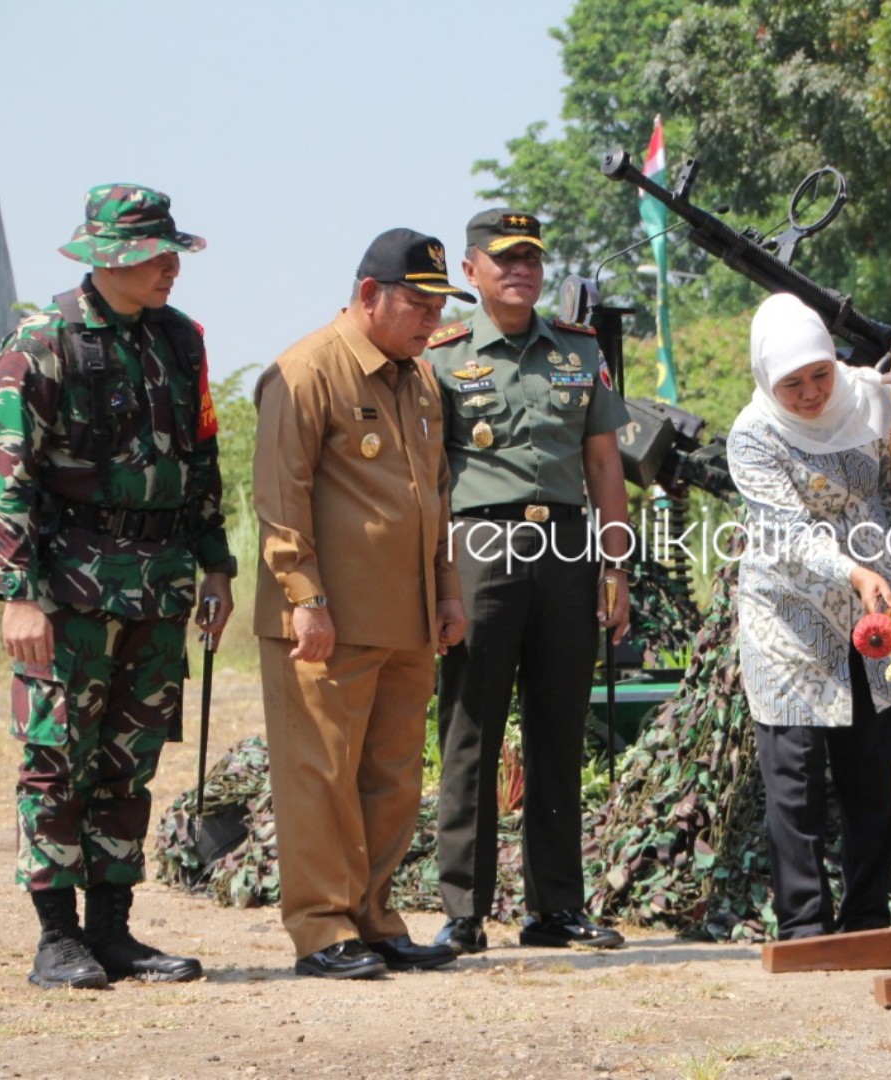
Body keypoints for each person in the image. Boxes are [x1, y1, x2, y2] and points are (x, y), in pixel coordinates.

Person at [0, 184, 235, 989]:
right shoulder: (44, 340)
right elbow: (4, 476)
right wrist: (18, 591)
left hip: (158, 586)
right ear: (110, 258)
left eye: (171, 254)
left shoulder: (181, 342)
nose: (169, 270)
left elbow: (199, 462)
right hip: (68, 589)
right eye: (155, 256)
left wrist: (217, 565)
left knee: (128, 763)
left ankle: (113, 931)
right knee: (58, 760)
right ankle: (56, 938)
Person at [253, 228, 471, 979]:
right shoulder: (306, 370)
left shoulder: (419, 379)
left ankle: (375, 917)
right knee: (319, 774)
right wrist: (304, 599)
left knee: (392, 775)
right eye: (418, 304)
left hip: (405, 617)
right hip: (326, 620)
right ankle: (320, 927)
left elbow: (434, 500)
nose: (430, 321)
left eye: (439, 306)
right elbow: (282, 500)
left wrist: (446, 594)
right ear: (369, 294)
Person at [425, 209, 632, 952]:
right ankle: (462, 911)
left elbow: (604, 463)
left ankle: (554, 909)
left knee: (558, 730)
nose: (521, 271)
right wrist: (440, 574)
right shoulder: (442, 355)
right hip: (479, 545)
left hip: (570, 546)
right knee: (469, 728)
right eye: (504, 259)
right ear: (471, 271)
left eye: (531, 259)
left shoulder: (578, 351)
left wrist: (616, 565)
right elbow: (431, 476)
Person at [728, 292, 891, 940]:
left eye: (819, 375)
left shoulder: (871, 399)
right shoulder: (752, 434)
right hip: (789, 620)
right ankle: (803, 925)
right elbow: (791, 533)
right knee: (795, 780)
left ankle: (866, 918)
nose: (808, 393)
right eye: (791, 382)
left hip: (873, 613)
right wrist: (854, 572)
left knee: (871, 773)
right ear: (767, 381)